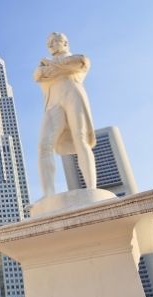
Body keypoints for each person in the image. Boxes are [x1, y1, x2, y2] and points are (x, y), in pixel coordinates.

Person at [34, 32, 96, 196]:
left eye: (55, 41)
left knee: (80, 138)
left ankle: (91, 188)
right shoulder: (43, 66)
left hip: (72, 95)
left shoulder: (78, 58)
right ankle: (48, 195)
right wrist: (60, 68)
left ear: (65, 42)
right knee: (43, 146)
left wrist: (53, 66)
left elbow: (80, 62)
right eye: (49, 43)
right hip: (52, 104)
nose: (51, 45)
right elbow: (38, 75)